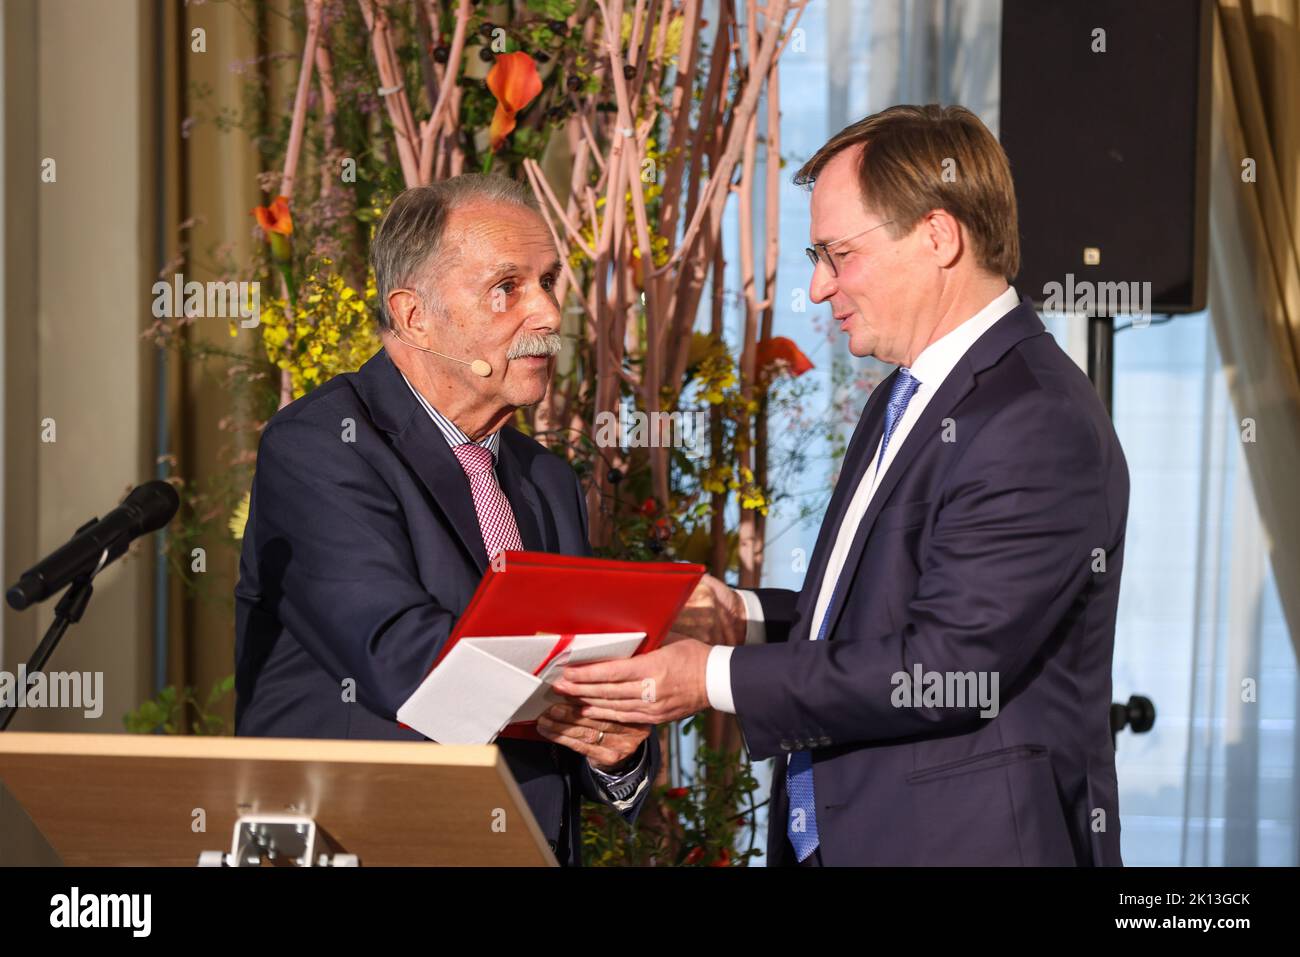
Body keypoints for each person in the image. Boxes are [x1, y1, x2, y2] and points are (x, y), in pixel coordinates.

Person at [555, 105, 1130, 866]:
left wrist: (712, 677)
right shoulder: (910, 395)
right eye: (814, 254)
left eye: (837, 254)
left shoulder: (1035, 419)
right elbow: (886, 622)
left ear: (938, 236)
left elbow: (944, 667)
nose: (820, 286)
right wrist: (745, 620)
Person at [235, 174, 655, 865]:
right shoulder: (318, 446)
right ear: (414, 316)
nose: (549, 314)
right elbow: (398, 654)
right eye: (507, 287)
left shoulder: (547, 481)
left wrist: (619, 744)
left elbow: (581, 726)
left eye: (548, 281)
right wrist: (578, 691)